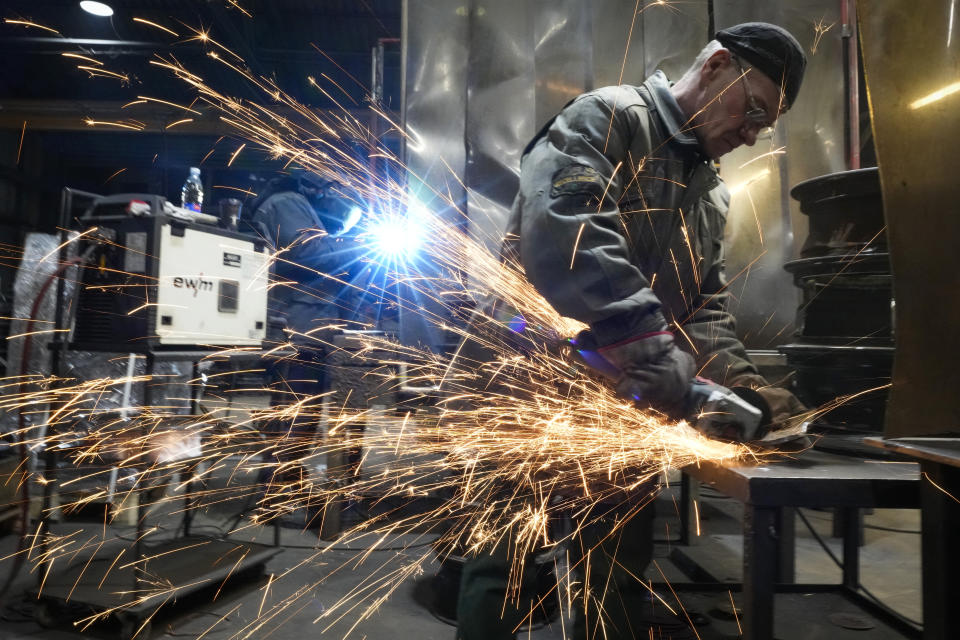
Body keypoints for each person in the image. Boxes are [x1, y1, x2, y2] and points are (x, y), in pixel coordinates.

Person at [456, 22, 808, 640]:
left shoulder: (710, 195)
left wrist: (744, 385)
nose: (751, 135)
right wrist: (651, 348)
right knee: (503, 570)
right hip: (532, 384)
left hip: (624, 404)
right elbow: (566, 232)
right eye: (752, 110)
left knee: (614, 576)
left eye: (764, 126)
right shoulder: (609, 120)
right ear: (718, 64)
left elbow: (703, 309)